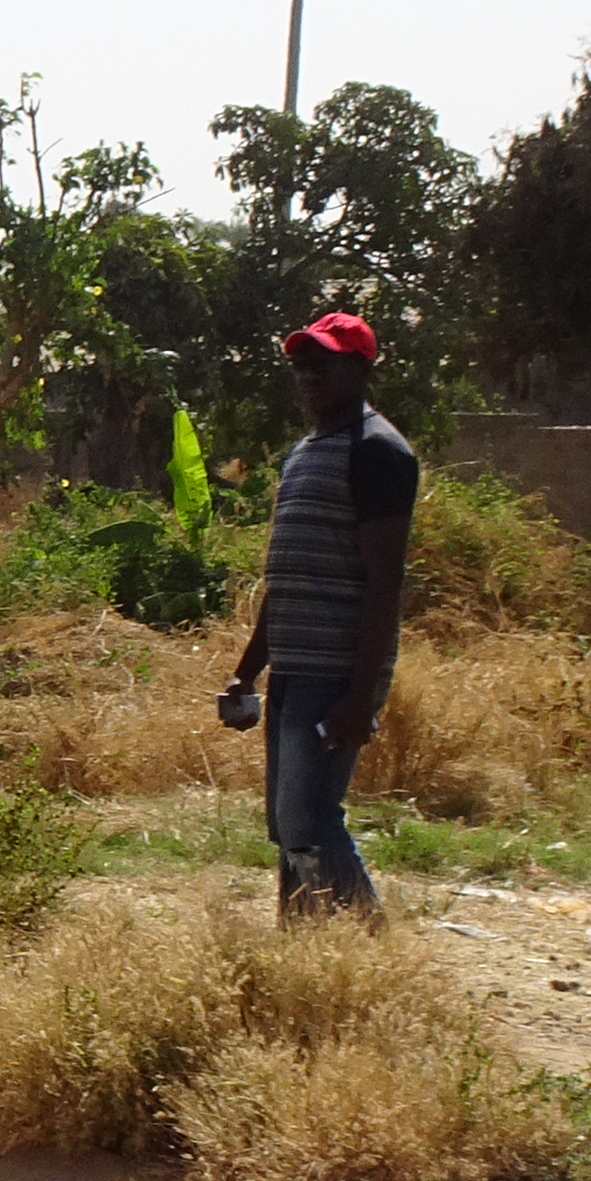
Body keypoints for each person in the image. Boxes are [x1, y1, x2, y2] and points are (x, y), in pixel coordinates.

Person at [219, 310, 417, 921]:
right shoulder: (304, 453)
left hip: (335, 674)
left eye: (323, 364)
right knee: (288, 827)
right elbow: (288, 577)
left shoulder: (378, 452)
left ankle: (374, 950)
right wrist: (247, 672)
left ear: (361, 367)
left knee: (310, 819)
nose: (309, 376)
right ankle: (305, 956)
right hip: (295, 672)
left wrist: (360, 696)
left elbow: (385, 582)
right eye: (302, 366)